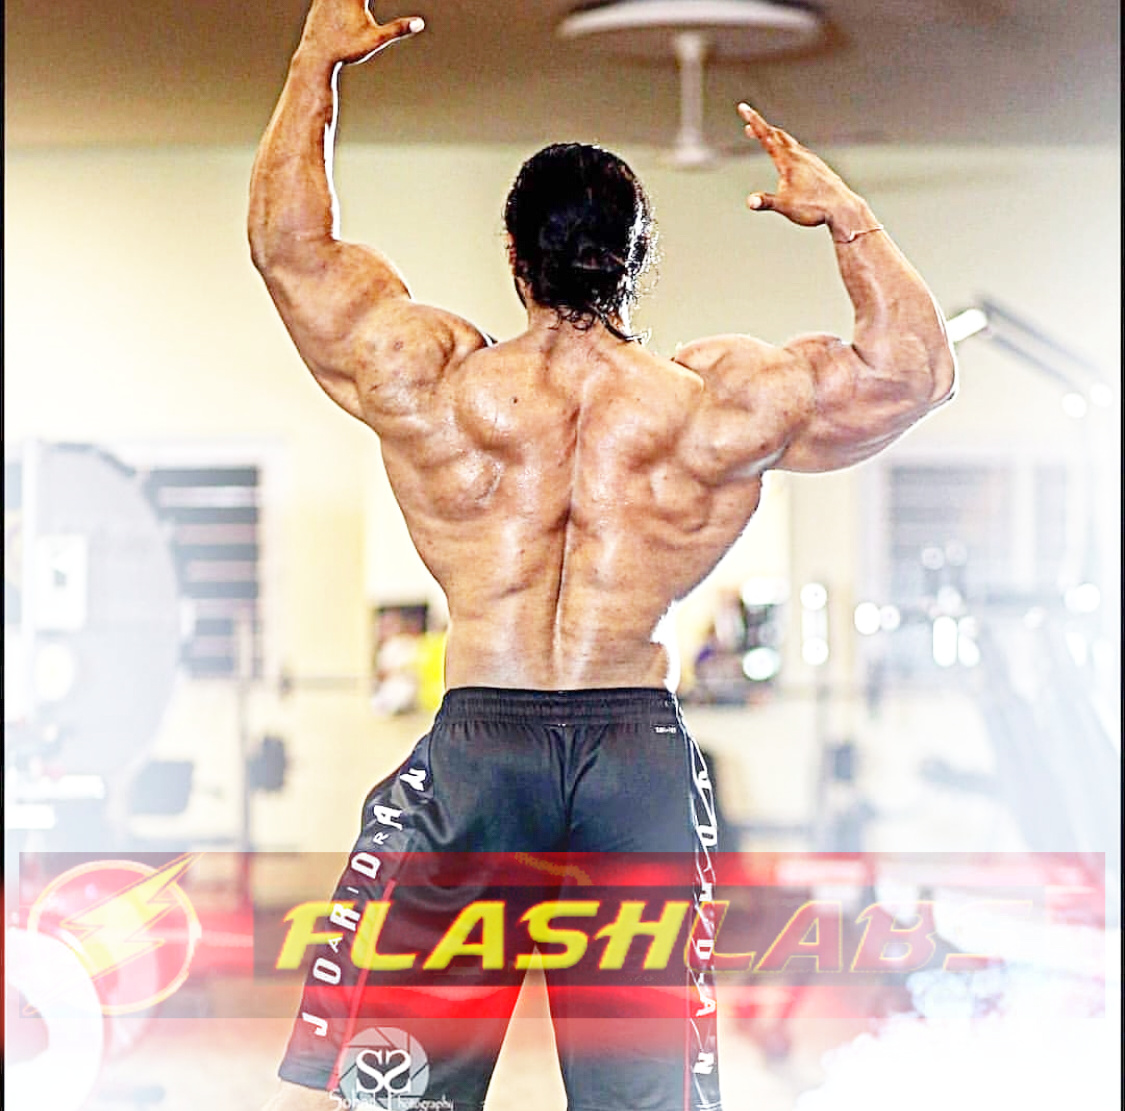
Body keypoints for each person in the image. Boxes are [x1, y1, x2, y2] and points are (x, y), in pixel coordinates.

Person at [248, 2, 957, 1108]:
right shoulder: (715, 406)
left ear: (513, 254)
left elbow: (290, 251)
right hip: (637, 762)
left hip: (480, 752)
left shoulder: (431, 381)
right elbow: (913, 373)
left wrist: (314, 68)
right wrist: (847, 220)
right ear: (634, 261)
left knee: (402, 1088)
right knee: (643, 1096)